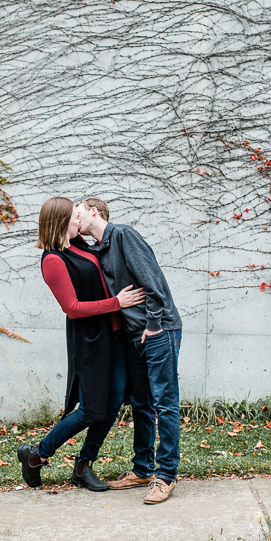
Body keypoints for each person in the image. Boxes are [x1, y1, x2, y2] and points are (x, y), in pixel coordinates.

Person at [17, 196, 146, 491]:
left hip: (114, 337)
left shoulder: (78, 246)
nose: (80, 220)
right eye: (75, 216)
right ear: (60, 221)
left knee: (112, 405)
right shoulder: (53, 260)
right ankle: (37, 456)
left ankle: (83, 465)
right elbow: (73, 307)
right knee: (90, 409)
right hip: (90, 343)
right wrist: (117, 302)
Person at [77, 198, 183, 504]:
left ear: (93, 212)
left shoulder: (122, 235)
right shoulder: (97, 249)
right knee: (141, 403)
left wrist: (152, 326)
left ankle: (165, 476)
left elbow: (154, 284)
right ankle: (142, 469)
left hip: (158, 330)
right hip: (134, 336)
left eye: (79, 213)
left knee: (164, 402)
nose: (76, 219)